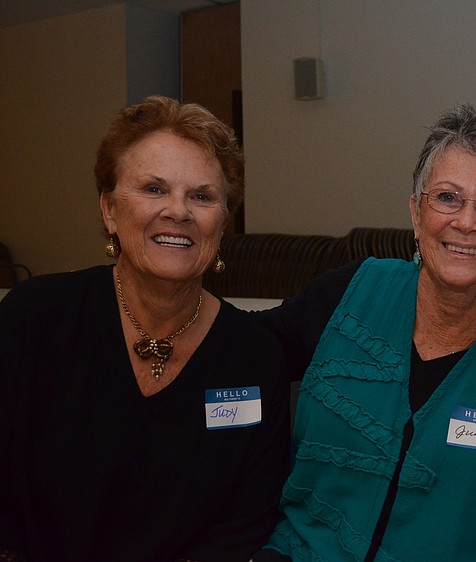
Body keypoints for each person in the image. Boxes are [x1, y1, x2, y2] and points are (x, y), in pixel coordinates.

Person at [252, 104, 476, 561]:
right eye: (447, 197)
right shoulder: (349, 295)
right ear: (416, 216)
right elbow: (239, 355)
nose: (466, 222)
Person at [0, 96, 289, 561]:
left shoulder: (253, 356)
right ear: (110, 209)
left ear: (222, 224)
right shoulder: (36, 318)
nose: (178, 211)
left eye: (202, 196)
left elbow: (248, 522)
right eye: (154, 189)